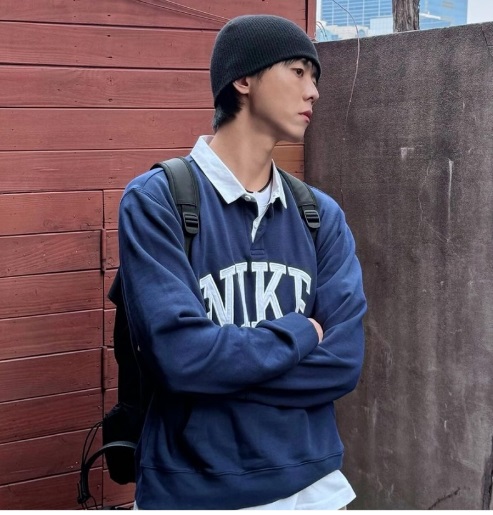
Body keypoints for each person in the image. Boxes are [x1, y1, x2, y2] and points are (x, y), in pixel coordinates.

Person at [117, 14, 366, 510]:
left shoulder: (320, 216)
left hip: (313, 490)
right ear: (244, 79)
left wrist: (215, 374)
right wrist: (300, 333)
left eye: (314, 77)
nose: (313, 91)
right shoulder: (156, 202)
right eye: (298, 71)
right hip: (191, 491)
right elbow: (180, 357)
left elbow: (343, 363)